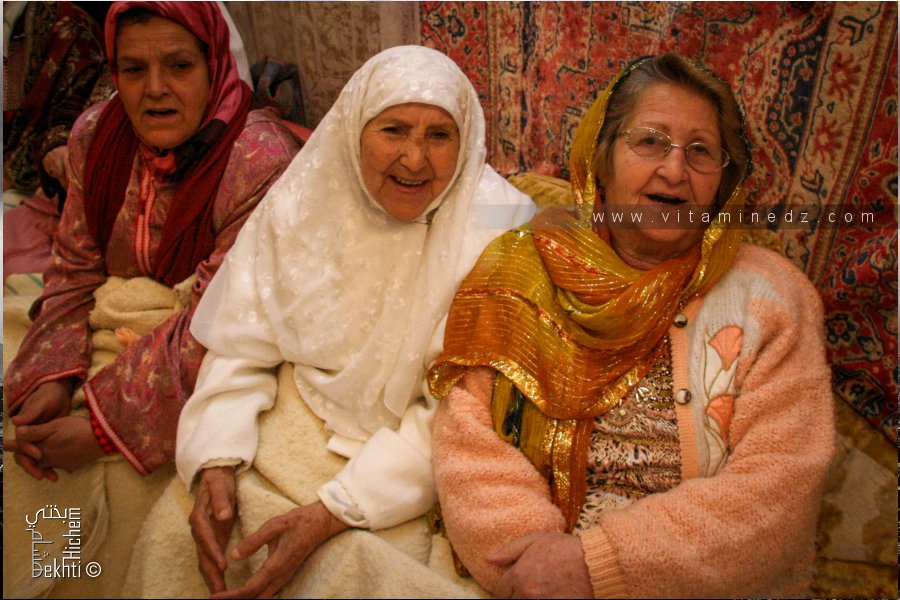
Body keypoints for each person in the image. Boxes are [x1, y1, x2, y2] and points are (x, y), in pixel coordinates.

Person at [427, 53, 836, 598]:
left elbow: (779, 489)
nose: (674, 171)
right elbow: (471, 444)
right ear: (603, 157)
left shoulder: (773, 298)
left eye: (700, 152)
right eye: (650, 142)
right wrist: (530, 570)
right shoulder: (524, 269)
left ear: (724, 179)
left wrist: (597, 567)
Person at [175, 45, 535, 598]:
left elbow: (460, 412)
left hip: (414, 468)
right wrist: (216, 460)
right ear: (352, 128)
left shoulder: (501, 229)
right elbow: (240, 342)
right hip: (293, 417)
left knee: (348, 574)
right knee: (190, 534)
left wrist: (335, 511)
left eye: (439, 136)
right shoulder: (303, 200)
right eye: (393, 130)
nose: (415, 160)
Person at [3, 1, 300, 480]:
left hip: (217, 354)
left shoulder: (258, 160)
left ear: (214, 63)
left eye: (180, 65)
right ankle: (55, 561)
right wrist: (50, 376)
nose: (155, 89)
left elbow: (222, 320)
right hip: (117, 331)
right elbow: (74, 267)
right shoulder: (95, 135)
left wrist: (101, 429)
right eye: (134, 69)